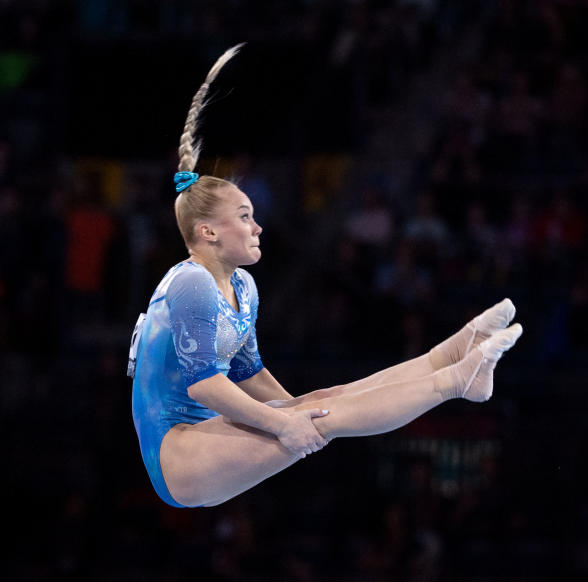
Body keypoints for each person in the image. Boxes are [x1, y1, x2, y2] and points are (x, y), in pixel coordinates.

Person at [128, 45, 523, 508]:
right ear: (208, 231)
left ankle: (447, 355)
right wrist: (286, 424)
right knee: (325, 416)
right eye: (244, 216)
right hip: (177, 455)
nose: (258, 226)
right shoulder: (190, 282)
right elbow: (205, 387)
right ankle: (454, 382)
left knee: (323, 402)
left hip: (208, 436)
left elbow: (248, 372)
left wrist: (297, 410)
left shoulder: (241, 287)